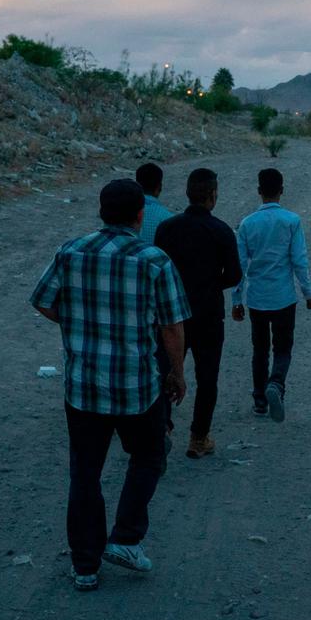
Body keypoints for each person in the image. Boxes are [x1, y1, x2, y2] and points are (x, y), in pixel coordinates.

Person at [30, 178, 190, 592]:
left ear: (101, 211)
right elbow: (172, 326)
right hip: (137, 386)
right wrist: (176, 372)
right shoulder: (154, 260)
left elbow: (43, 300)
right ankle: (125, 538)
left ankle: (85, 565)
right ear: (140, 215)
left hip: (83, 386)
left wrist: (79, 325)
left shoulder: (71, 251)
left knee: (85, 473)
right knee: (149, 456)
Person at [153, 167, 242, 459]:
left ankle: (161, 428)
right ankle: (198, 437)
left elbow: (156, 269)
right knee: (207, 378)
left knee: (166, 371)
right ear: (213, 196)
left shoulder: (167, 228)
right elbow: (234, 275)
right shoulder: (221, 230)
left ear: (187, 193)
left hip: (171, 314)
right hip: (207, 314)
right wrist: (210, 283)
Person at [233, 167, 311, 422]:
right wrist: (308, 294)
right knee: (283, 347)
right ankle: (276, 384)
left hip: (257, 298)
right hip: (283, 298)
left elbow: (240, 266)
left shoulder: (247, 224)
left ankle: (260, 399)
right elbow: (299, 261)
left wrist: (237, 300)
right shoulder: (292, 221)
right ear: (282, 190)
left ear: (258, 191)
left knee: (259, 349)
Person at [136, 161, 179, 437]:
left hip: (126, 297)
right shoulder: (167, 219)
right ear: (160, 186)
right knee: (160, 355)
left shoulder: (124, 215)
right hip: (155, 297)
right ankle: (161, 415)